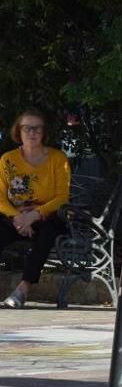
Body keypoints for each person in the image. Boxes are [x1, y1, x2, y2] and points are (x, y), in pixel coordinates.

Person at [0, 108, 71, 309]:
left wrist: (34, 215)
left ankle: (22, 290)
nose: (32, 132)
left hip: (48, 215)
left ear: (44, 132)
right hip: (17, 216)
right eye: (27, 128)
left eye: (37, 128)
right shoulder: (7, 160)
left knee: (48, 233)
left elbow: (62, 198)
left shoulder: (58, 159)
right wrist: (18, 218)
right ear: (18, 131)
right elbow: (0, 198)